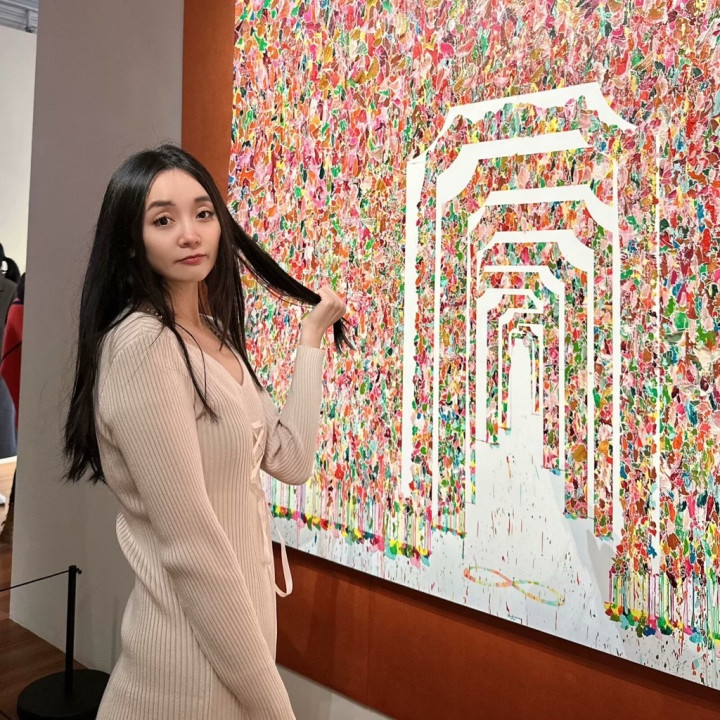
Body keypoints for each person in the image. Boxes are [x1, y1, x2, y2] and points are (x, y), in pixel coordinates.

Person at [63, 144, 347, 719]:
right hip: (180, 675)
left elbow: (290, 460)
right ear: (132, 240)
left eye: (202, 213)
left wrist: (311, 339)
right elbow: (191, 547)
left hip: (235, 656)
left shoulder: (215, 336)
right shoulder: (142, 346)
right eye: (163, 220)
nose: (190, 234)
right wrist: (276, 708)